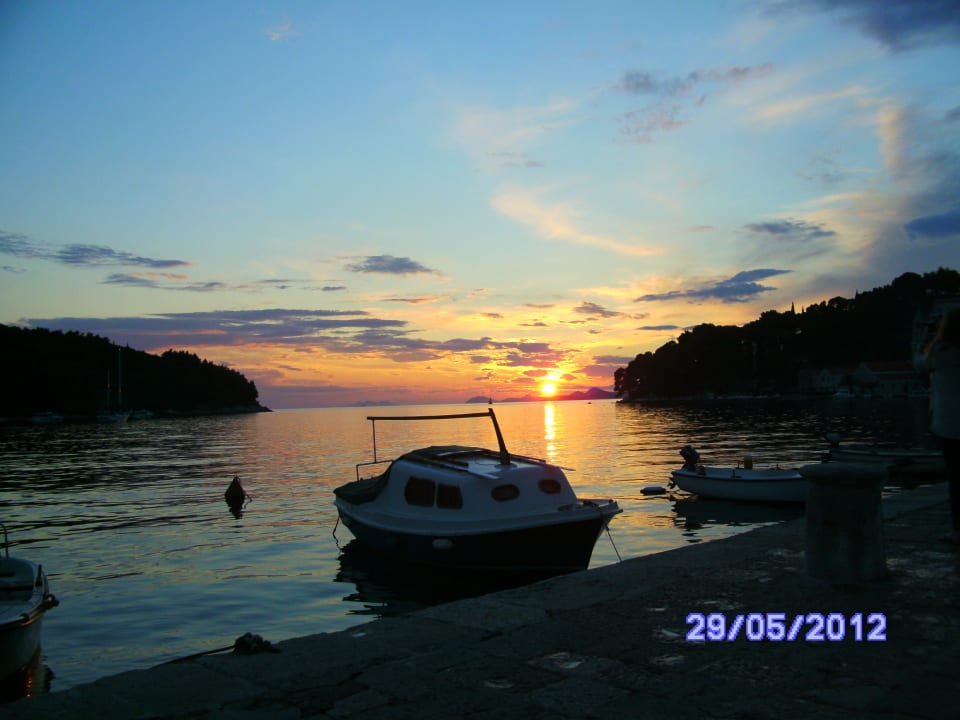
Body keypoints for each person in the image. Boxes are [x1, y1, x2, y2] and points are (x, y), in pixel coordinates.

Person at [921, 308, 960, 546]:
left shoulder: (941, 352)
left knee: (956, 478)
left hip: (950, 424)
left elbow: (919, 363)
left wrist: (921, 336)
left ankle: (958, 530)